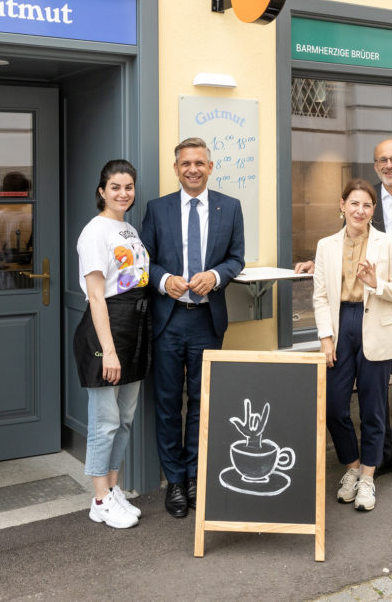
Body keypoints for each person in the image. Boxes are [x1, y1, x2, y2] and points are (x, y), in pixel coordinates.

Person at [296, 138, 392, 488]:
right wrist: (319, 265)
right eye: (382, 160)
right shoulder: (365, 199)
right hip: (362, 310)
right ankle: (373, 460)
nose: (389, 165)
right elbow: (349, 249)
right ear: (376, 166)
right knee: (366, 395)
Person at [140, 137, 245, 518]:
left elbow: (236, 259)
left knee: (204, 403)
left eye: (199, 163)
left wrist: (216, 277)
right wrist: (162, 279)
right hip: (168, 320)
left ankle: (199, 477)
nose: (193, 169)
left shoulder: (229, 208)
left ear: (210, 166)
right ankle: (177, 483)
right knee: (168, 405)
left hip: (207, 320)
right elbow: (143, 261)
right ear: (176, 168)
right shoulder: (157, 209)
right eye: (185, 163)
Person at [313, 178, 392, 512]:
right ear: (342, 206)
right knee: (335, 407)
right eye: (354, 203)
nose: (360, 210)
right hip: (341, 328)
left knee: (373, 407)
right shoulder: (326, 245)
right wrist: (326, 339)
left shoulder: (388, 244)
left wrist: (376, 283)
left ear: (373, 210)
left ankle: (368, 476)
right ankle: (351, 467)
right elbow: (321, 296)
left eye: (367, 205)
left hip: (375, 329)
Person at [73, 159, 151, 529]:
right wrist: (109, 350)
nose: (123, 193)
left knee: (125, 419)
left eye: (129, 186)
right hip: (105, 331)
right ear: (101, 191)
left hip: (133, 328)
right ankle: (100, 498)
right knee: (104, 421)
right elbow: (96, 297)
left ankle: (114, 488)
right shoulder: (95, 232)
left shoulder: (128, 228)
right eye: (115, 187)